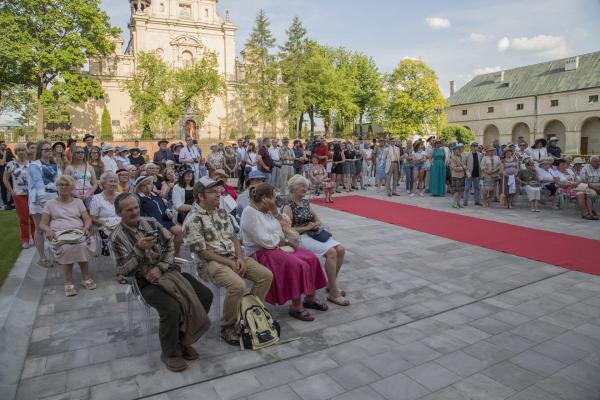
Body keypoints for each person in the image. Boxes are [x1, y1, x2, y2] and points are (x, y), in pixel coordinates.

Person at [109, 192, 213, 372]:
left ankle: (183, 339)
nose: (134, 212)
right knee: (171, 308)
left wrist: (160, 267)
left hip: (167, 272)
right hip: (143, 281)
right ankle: (170, 352)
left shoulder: (151, 222)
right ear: (119, 213)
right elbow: (124, 272)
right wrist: (139, 250)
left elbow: (169, 245)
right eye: (128, 210)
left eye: (136, 207)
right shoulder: (116, 237)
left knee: (205, 295)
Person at [182, 176, 273, 345]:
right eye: (213, 192)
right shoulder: (193, 219)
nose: (219, 195)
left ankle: (250, 313)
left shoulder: (222, 212)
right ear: (200, 196)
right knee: (237, 286)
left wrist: (239, 258)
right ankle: (227, 326)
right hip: (211, 262)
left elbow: (234, 238)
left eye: (219, 191)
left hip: (233, 256)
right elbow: (202, 253)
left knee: (265, 275)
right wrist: (231, 263)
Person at [240, 183, 328, 321]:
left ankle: (310, 298)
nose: (276, 199)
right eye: (274, 197)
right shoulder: (249, 212)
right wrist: (282, 240)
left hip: (277, 246)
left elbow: (284, 226)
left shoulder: (268, 210)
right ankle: (296, 306)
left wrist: (275, 211)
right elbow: (264, 241)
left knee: (311, 258)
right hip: (260, 252)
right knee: (297, 264)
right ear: (264, 198)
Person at [283, 175, 349, 306]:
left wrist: (316, 223)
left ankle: (331, 284)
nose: (305, 188)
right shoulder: (288, 206)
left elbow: (317, 219)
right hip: (300, 238)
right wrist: (306, 227)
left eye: (305, 186)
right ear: (293, 188)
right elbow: (287, 229)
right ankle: (333, 293)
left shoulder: (306, 202)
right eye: (301, 186)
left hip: (314, 234)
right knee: (331, 253)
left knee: (341, 249)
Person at [39, 175, 96, 297]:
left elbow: (87, 219)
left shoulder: (78, 202)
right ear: (57, 187)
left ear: (72, 188)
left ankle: (85, 277)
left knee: (82, 245)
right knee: (66, 248)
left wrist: (86, 227)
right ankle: (68, 282)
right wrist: (48, 230)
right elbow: (42, 224)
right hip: (59, 234)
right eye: (61, 185)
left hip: (78, 232)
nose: (64, 187)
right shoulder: (50, 204)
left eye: (67, 185)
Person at [29, 141, 61, 266]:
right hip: (39, 200)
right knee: (40, 229)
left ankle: (56, 254)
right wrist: (43, 200)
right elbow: (38, 182)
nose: (48, 151)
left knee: (54, 226)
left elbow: (59, 181)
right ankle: (42, 257)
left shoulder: (55, 165)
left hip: (53, 197)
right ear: (39, 151)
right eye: (45, 149)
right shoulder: (34, 165)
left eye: (49, 149)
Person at [135, 175, 183, 256]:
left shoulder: (154, 194)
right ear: (139, 188)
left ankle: (176, 254)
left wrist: (167, 211)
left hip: (164, 220)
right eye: (144, 185)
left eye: (149, 184)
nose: (147, 186)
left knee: (179, 230)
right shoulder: (139, 198)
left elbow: (163, 205)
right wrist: (155, 223)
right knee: (168, 236)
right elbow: (141, 215)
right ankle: (167, 257)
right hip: (153, 224)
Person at [4, 143, 34, 248]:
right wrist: (12, 191)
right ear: (16, 152)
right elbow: (5, 179)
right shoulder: (10, 164)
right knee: (23, 218)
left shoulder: (32, 164)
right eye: (19, 150)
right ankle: (25, 239)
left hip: (32, 194)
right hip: (19, 195)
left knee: (34, 216)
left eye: (23, 150)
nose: (21, 152)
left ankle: (35, 237)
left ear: (26, 151)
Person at [90, 172, 121, 256]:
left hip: (121, 225)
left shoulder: (121, 196)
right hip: (105, 227)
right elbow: (93, 218)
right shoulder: (96, 199)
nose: (113, 183)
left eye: (115, 181)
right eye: (110, 181)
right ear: (103, 184)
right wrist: (107, 223)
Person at [577, 156, 600, 220]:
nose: (598, 163)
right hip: (587, 185)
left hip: (598, 185)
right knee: (590, 194)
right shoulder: (585, 168)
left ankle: (592, 211)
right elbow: (584, 181)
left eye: (598, 161)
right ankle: (589, 212)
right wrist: (595, 188)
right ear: (591, 162)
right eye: (595, 162)